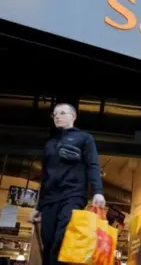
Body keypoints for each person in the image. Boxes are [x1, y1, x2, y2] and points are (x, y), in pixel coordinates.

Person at [30, 103, 106, 265]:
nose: (57, 116)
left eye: (62, 113)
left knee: (62, 237)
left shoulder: (84, 138)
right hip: (50, 199)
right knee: (48, 241)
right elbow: (45, 177)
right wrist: (39, 207)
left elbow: (93, 165)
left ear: (73, 116)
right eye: (54, 114)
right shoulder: (49, 144)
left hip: (73, 195)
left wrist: (98, 191)